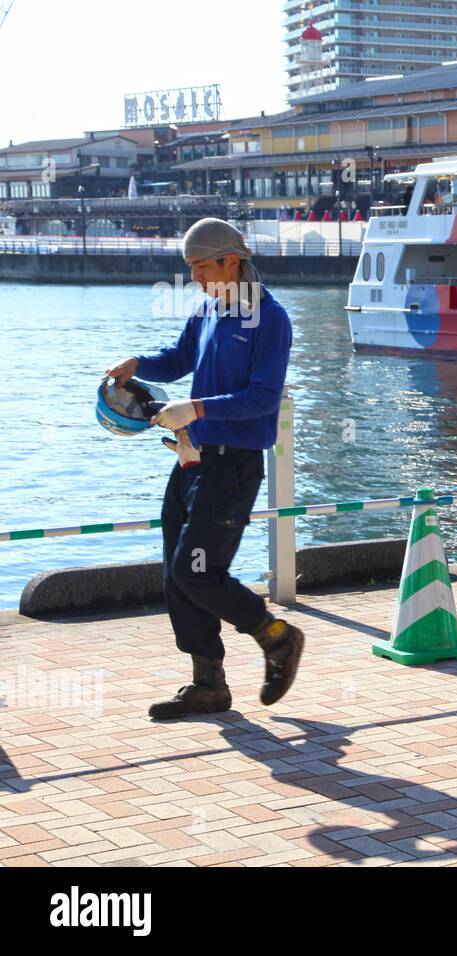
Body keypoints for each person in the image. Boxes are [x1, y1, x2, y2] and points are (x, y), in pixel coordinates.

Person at [105, 218, 305, 721]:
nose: (193, 276)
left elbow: (263, 398)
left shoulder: (270, 319)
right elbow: (177, 359)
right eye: (189, 267)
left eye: (199, 265)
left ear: (230, 261)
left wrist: (196, 409)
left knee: (196, 572)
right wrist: (138, 364)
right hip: (190, 459)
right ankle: (208, 685)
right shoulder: (211, 308)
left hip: (232, 466)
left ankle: (276, 636)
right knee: (177, 574)